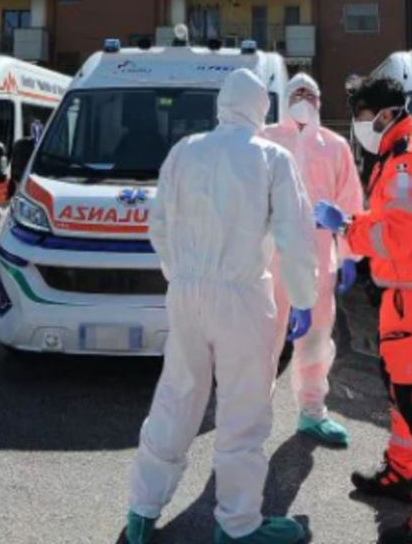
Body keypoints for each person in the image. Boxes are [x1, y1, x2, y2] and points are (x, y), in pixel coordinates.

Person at [126, 69, 320, 544]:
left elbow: (158, 228)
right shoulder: (271, 157)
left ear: (221, 105)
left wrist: (182, 275)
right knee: (243, 410)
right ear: (261, 108)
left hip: (187, 295)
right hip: (242, 298)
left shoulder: (184, 151)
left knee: (176, 396)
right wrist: (304, 300)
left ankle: (142, 509)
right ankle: (236, 524)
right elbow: (295, 239)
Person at [314, 75, 412, 544]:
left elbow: (394, 237)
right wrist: (357, 223)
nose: (358, 126)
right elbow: (392, 223)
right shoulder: (398, 151)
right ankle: (401, 473)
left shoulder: (408, 162)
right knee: (400, 388)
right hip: (408, 287)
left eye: (359, 117)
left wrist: (347, 231)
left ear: (383, 114)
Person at [262, 73, 364, 447]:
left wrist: (350, 253)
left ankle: (312, 411)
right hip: (270, 260)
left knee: (318, 339)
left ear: (320, 101)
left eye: (310, 94)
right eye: (297, 93)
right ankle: (252, 419)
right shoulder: (265, 138)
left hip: (320, 260)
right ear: (286, 98)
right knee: (263, 341)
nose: (304, 98)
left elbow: (351, 201)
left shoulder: (334, 146)